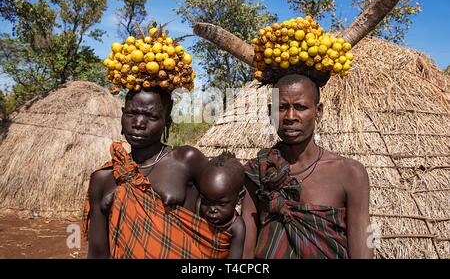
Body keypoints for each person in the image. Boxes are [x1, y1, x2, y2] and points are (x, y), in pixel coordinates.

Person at [82, 87, 230, 259]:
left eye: (151, 116)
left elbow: (226, 218)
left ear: (167, 122)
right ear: (122, 115)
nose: (138, 123)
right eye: (131, 113)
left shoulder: (187, 161)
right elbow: (98, 252)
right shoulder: (103, 177)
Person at [241, 74, 372, 259]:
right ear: (271, 113)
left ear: (318, 112)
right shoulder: (258, 171)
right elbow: (245, 249)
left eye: (300, 107)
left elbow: (363, 245)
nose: (290, 117)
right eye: (282, 108)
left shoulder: (350, 174)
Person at [197, 152, 246, 259]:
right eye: (206, 201)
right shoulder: (198, 210)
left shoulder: (237, 226)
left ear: (239, 198)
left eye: (221, 204)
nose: (212, 209)